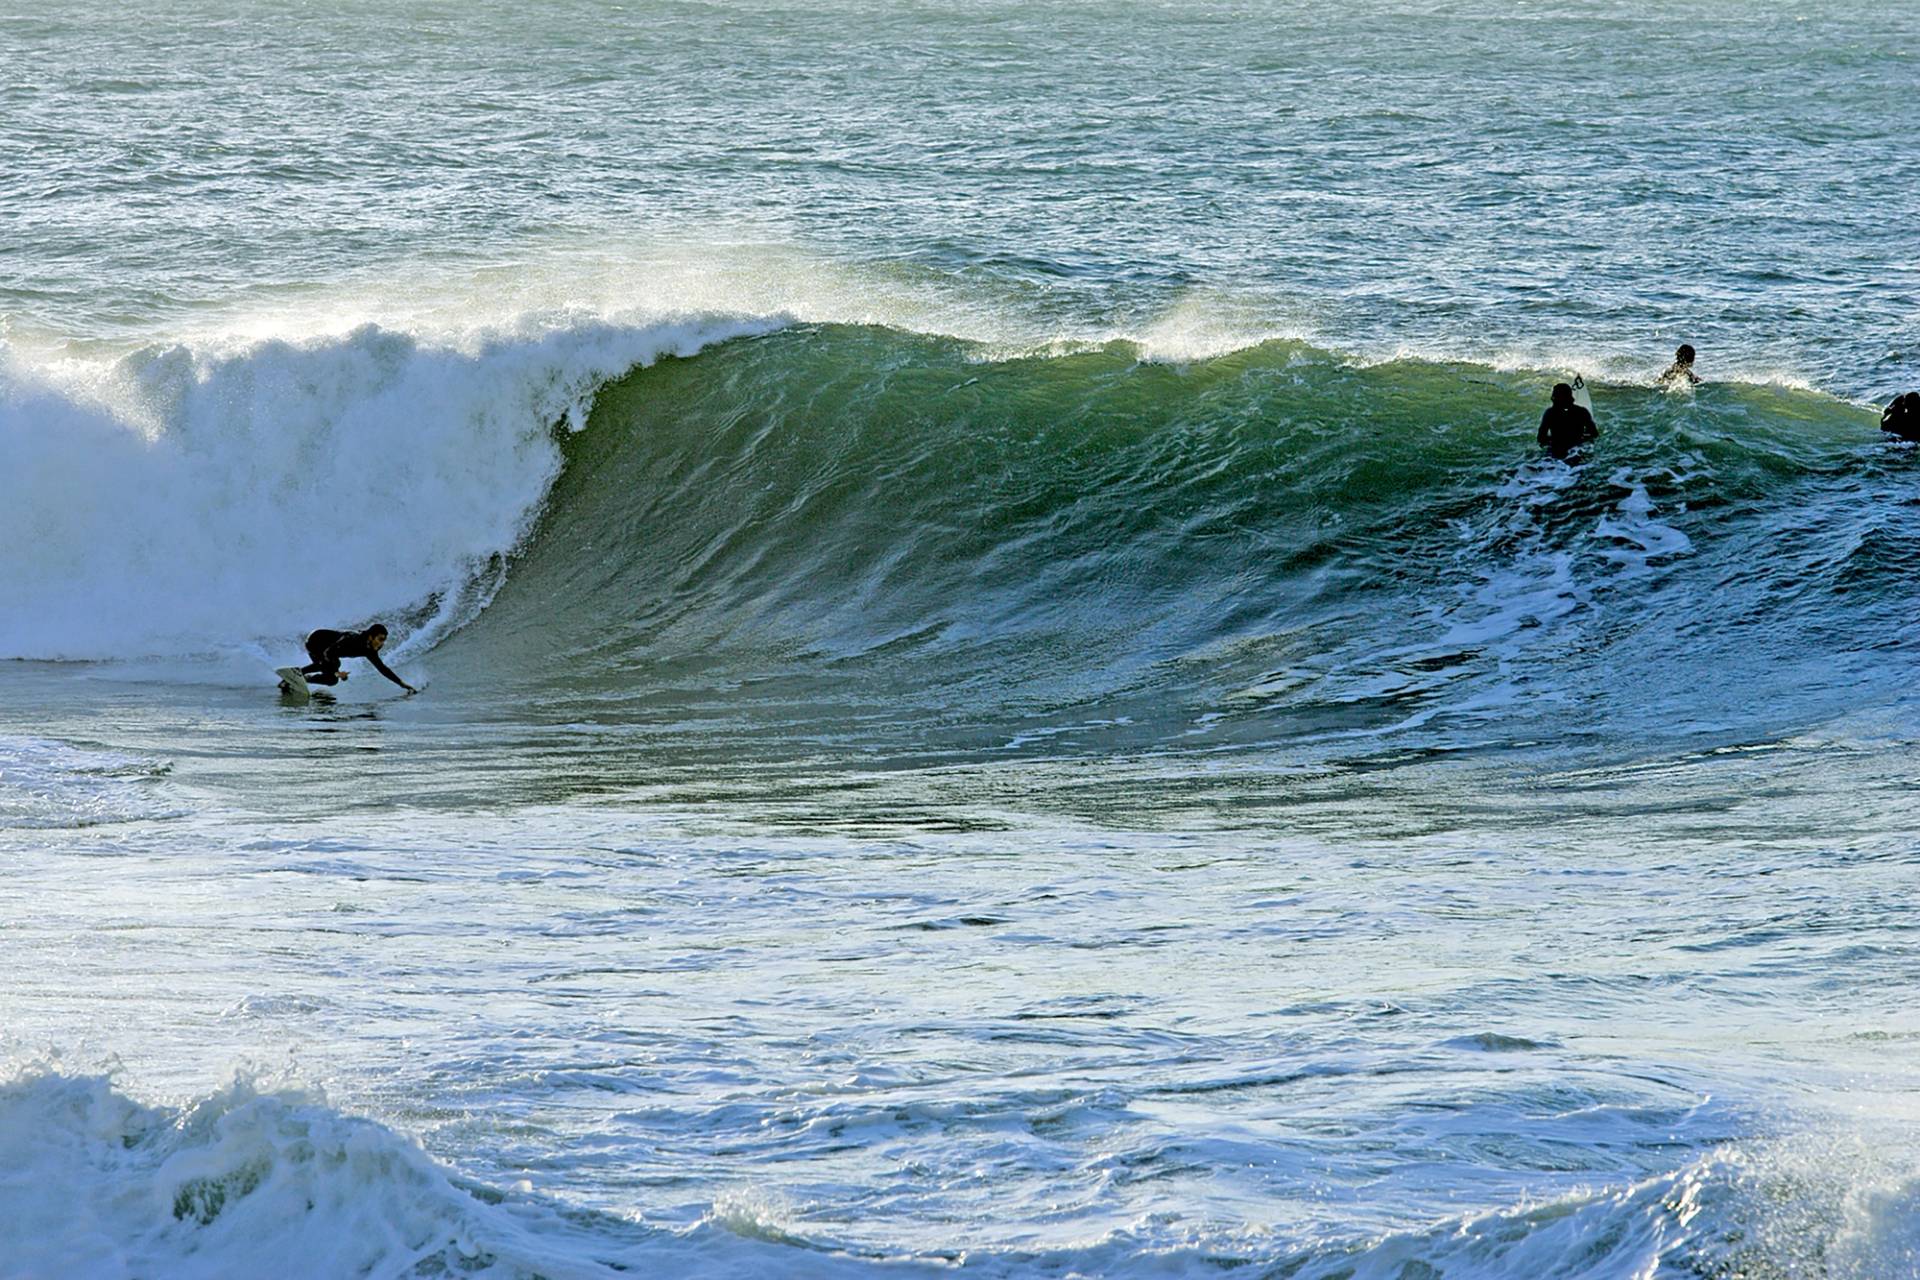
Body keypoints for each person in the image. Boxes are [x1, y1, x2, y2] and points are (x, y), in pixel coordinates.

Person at [300, 623, 415, 692]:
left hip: (326, 651)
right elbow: (329, 653)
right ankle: (299, 672)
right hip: (315, 640)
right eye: (380, 639)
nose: (382, 644)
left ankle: (303, 679)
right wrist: (337, 672)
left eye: (384, 640)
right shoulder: (353, 639)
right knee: (332, 665)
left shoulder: (369, 650)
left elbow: (382, 668)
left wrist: (401, 684)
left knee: (331, 680)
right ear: (371, 637)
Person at [1537, 382, 1597, 460]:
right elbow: (1594, 434)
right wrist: (1582, 436)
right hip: (1576, 451)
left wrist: (1554, 439)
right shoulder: (1582, 412)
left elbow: (1541, 438)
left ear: (1554, 398)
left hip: (1556, 453)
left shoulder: (1550, 413)